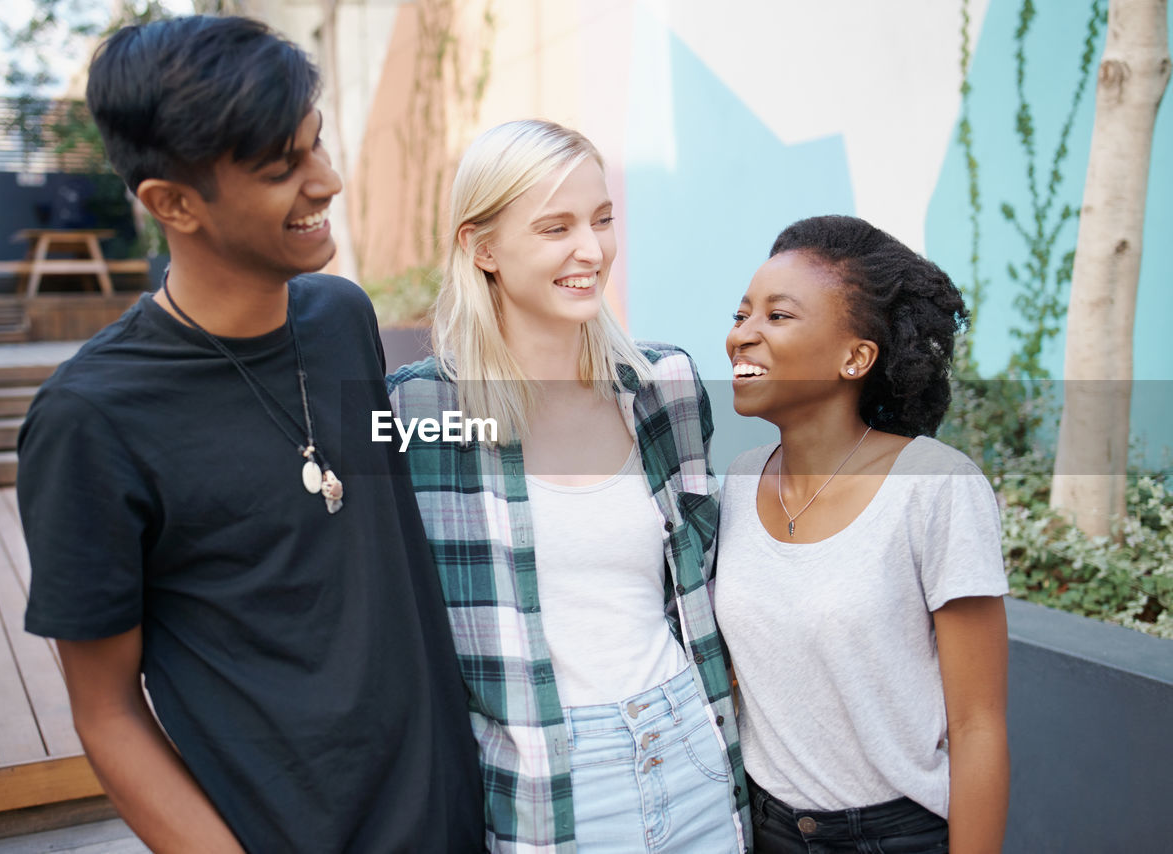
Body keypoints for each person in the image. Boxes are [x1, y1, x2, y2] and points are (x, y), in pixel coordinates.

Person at [18, 16, 483, 853]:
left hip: (454, 821)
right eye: (283, 168)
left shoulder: (342, 316)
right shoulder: (90, 420)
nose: (328, 180)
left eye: (317, 145)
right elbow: (107, 712)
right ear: (172, 203)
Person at [386, 119, 749, 852]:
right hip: (542, 783)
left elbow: (697, 582)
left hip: (694, 747)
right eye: (556, 227)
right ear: (481, 248)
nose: (592, 250)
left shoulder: (664, 386)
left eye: (603, 219)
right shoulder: (419, 413)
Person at [715, 215, 1010, 853]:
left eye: (778, 316)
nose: (743, 336)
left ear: (856, 356)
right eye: (742, 315)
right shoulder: (737, 485)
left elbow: (978, 724)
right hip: (762, 829)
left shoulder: (936, 486)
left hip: (894, 836)